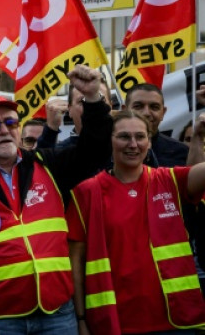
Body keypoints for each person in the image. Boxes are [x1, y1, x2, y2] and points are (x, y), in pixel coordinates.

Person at [0, 65, 111, 334]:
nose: (4, 130)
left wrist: (93, 98)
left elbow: (96, 149)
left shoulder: (47, 163)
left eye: (11, 122)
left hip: (57, 314)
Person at [68, 110, 205, 333]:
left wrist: (199, 134)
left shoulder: (170, 180)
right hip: (117, 323)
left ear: (150, 142)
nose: (133, 144)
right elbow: (76, 263)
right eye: (123, 136)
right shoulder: (86, 192)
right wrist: (81, 319)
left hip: (179, 320)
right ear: (109, 140)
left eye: (140, 137)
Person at [125, 83, 189, 167]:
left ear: (163, 112)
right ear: (124, 110)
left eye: (154, 107)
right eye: (138, 106)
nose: (146, 113)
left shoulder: (181, 152)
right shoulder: (108, 148)